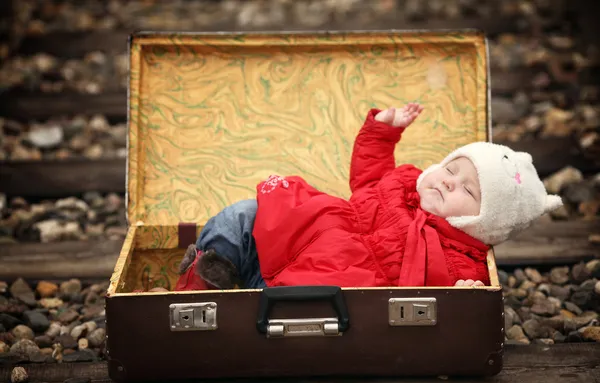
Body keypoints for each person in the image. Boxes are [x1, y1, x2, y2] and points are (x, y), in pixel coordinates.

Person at [174, 103, 563, 291]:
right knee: (242, 216)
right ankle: (204, 283)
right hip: (296, 240)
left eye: (468, 190)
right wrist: (381, 132)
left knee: (294, 309)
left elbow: (457, 289)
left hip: (312, 289)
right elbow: (369, 176)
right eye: (451, 169)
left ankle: (233, 298)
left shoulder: (462, 257)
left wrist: (467, 294)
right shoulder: (406, 182)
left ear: (484, 223)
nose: (448, 183)